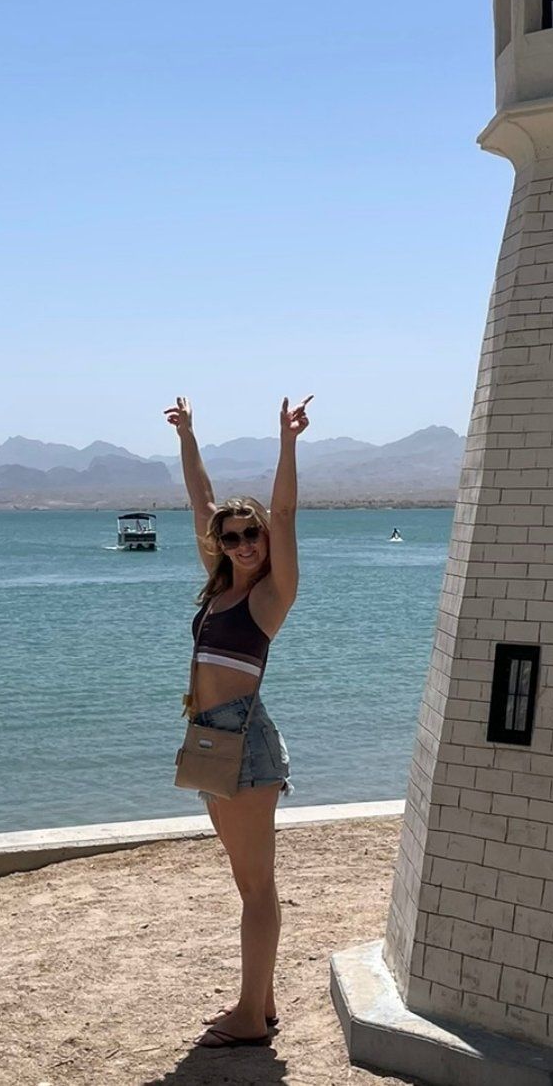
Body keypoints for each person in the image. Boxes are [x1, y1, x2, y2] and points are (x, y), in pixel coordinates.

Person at [166, 393, 311, 1050]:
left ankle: (251, 1017)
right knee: (246, 880)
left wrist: (287, 442)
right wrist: (188, 437)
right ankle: (264, 998)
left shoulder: (270, 597)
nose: (245, 542)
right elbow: (200, 499)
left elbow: (283, 511)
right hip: (209, 741)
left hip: (245, 743)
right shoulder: (219, 584)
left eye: (252, 533)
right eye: (233, 536)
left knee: (256, 885)